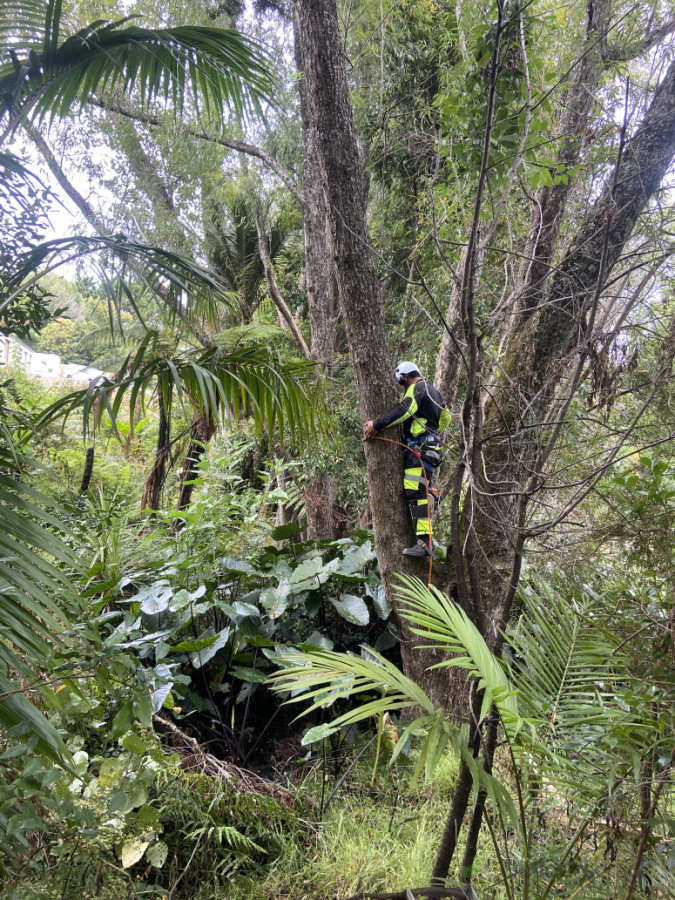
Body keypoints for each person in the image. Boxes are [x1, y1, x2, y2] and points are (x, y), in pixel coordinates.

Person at [364, 361, 450, 558]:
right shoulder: (433, 392)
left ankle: (425, 542)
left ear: (404, 377)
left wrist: (377, 424)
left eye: (401, 381)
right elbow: (446, 418)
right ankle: (425, 541)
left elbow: (406, 409)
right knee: (419, 492)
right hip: (429, 449)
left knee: (416, 494)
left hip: (421, 450)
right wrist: (432, 433)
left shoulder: (417, 388)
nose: (402, 386)